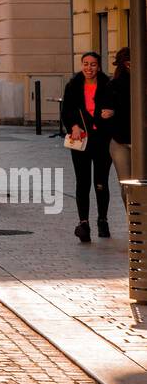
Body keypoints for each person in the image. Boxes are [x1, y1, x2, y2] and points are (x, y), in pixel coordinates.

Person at [61, 51, 113, 243]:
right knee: (82, 183)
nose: (88, 68)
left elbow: (117, 106)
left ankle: (102, 220)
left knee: (101, 183)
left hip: (102, 140)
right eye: (85, 64)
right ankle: (84, 223)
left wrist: (112, 112)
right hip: (80, 140)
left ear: (98, 66)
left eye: (92, 64)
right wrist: (73, 126)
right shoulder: (73, 86)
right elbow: (66, 110)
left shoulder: (108, 85)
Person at [99, 46, 131, 188]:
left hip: (127, 139)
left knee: (129, 185)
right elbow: (105, 114)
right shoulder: (113, 85)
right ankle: (131, 211)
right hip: (120, 141)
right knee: (126, 185)